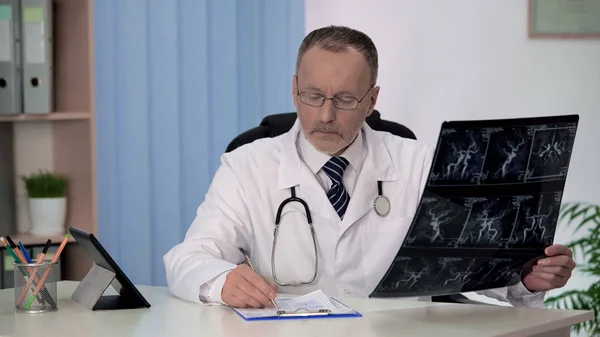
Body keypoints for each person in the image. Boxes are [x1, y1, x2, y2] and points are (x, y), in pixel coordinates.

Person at [163, 25, 575, 309]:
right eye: (311, 95)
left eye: (344, 99)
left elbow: (471, 262)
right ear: (293, 89)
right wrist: (221, 283)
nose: (325, 115)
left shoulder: (417, 163)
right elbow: (188, 258)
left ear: (372, 99)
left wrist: (527, 279)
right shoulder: (246, 166)